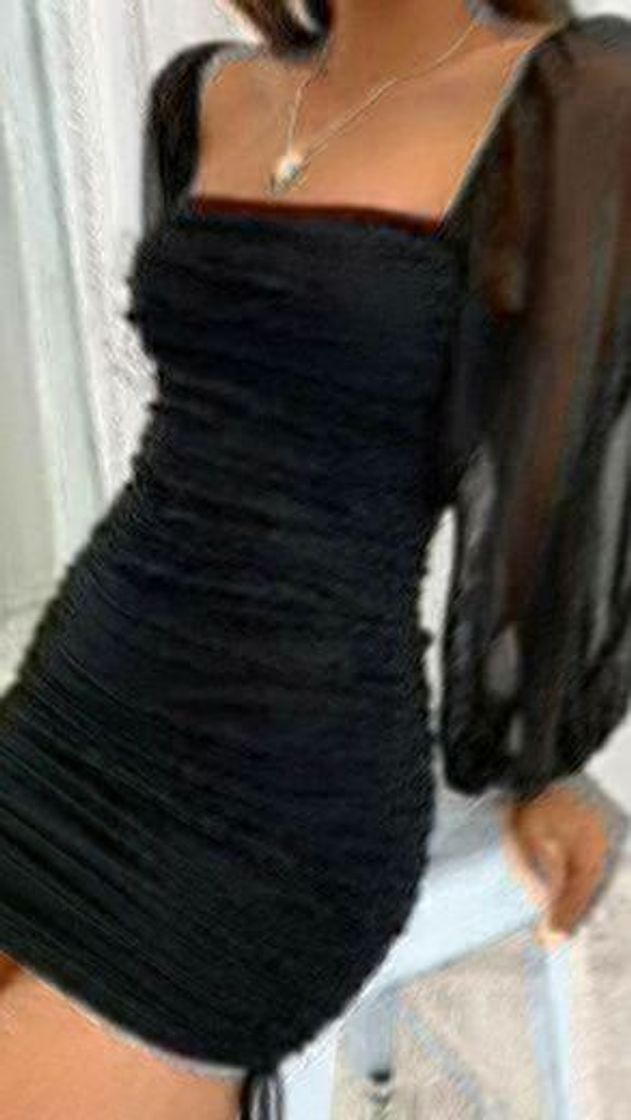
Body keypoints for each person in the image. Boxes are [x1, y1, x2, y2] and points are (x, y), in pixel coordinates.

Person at [0, 1, 629, 1117]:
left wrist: (535, 757)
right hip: (73, 708)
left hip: (274, 795)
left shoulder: (568, 101)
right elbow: (205, 443)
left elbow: (558, 482)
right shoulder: (202, 97)